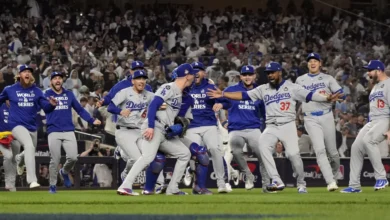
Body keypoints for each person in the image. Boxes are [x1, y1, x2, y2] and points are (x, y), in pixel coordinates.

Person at [207, 62, 342, 193]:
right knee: (263, 147)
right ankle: (277, 180)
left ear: (279, 73)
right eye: (268, 73)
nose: (270, 75)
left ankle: (301, 183)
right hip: (271, 126)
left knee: (293, 155)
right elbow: (243, 95)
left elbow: (310, 95)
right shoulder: (263, 89)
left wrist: (326, 99)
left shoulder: (292, 87)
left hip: (287, 124)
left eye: (272, 73)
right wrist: (223, 94)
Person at [116, 63, 196, 196]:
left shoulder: (180, 93)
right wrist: (151, 127)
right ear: (187, 76)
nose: (194, 77)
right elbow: (153, 105)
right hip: (155, 127)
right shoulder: (169, 87)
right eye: (192, 74)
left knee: (185, 154)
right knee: (147, 157)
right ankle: (125, 186)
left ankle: (172, 189)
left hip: (164, 131)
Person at [213, 65, 272, 193]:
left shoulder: (260, 90)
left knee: (263, 156)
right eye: (245, 75)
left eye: (250, 74)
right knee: (235, 150)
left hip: (254, 128)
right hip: (236, 128)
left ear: (254, 76)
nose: (247, 77)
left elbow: (264, 111)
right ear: (240, 77)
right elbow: (226, 102)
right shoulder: (232, 89)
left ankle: (266, 185)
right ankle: (248, 175)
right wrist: (220, 104)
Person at [0, 64, 58, 188]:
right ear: (19, 75)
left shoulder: (37, 91)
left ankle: (20, 161)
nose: (27, 73)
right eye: (24, 71)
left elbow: (46, 108)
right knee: (29, 146)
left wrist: (52, 104)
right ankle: (32, 180)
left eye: (29, 72)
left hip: (32, 126)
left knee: (31, 149)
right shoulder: (9, 90)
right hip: (15, 125)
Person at [44, 72, 101, 193]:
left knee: (73, 158)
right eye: (55, 78)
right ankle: (52, 185)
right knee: (55, 159)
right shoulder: (47, 94)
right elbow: (44, 108)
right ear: (51, 82)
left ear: (62, 81)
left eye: (60, 78)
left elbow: (80, 110)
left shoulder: (69, 94)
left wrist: (91, 120)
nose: (58, 80)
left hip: (69, 130)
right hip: (53, 130)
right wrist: (50, 105)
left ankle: (64, 171)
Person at [295, 53, 342, 191]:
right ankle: (330, 182)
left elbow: (340, 93)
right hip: (310, 118)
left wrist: (336, 96)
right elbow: (296, 97)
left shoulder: (328, 78)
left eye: (315, 61)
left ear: (320, 63)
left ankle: (334, 175)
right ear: (307, 64)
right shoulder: (300, 80)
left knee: (333, 153)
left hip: (327, 116)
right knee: (320, 150)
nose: (313, 63)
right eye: (310, 61)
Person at [341, 60, 390, 193]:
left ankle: (381, 177)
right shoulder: (375, 86)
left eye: (370, 70)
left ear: (379, 70)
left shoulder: (388, 84)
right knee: (356, 147)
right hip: (373, 120)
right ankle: (354, 185)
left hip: (384, 119)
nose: (367, 73)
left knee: (369, 140)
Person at [182, 62, 230, 193]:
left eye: (199, 70)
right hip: (192, 126)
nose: (196, 72)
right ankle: (195, 180)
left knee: (215, 149)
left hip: (209, 125)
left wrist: (220, 104)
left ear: (204, 73)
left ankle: (221, 183)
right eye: (194, 70)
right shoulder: (186, 86)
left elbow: (226, 102)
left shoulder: (210, 86)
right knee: (195, 155)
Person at [107, 70, 155, 191]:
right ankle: (126, 185)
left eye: (144, 79)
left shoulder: (148, 94)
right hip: (124, 130)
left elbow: (160, 100)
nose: (142, 81)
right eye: (139, 78)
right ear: (132, 81)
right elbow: (110, 107)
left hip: (139, 131)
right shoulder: (124, 92)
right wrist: (120, 111)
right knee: (137, 158)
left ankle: (126, 175)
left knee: (146, 159)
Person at [0, 101, 20, 191]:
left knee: (15, 159)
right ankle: (8, 182)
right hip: (2, 137)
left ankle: (12, 184)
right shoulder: (1, 106)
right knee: (8, 156)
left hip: (15, 136)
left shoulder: (18, 107)